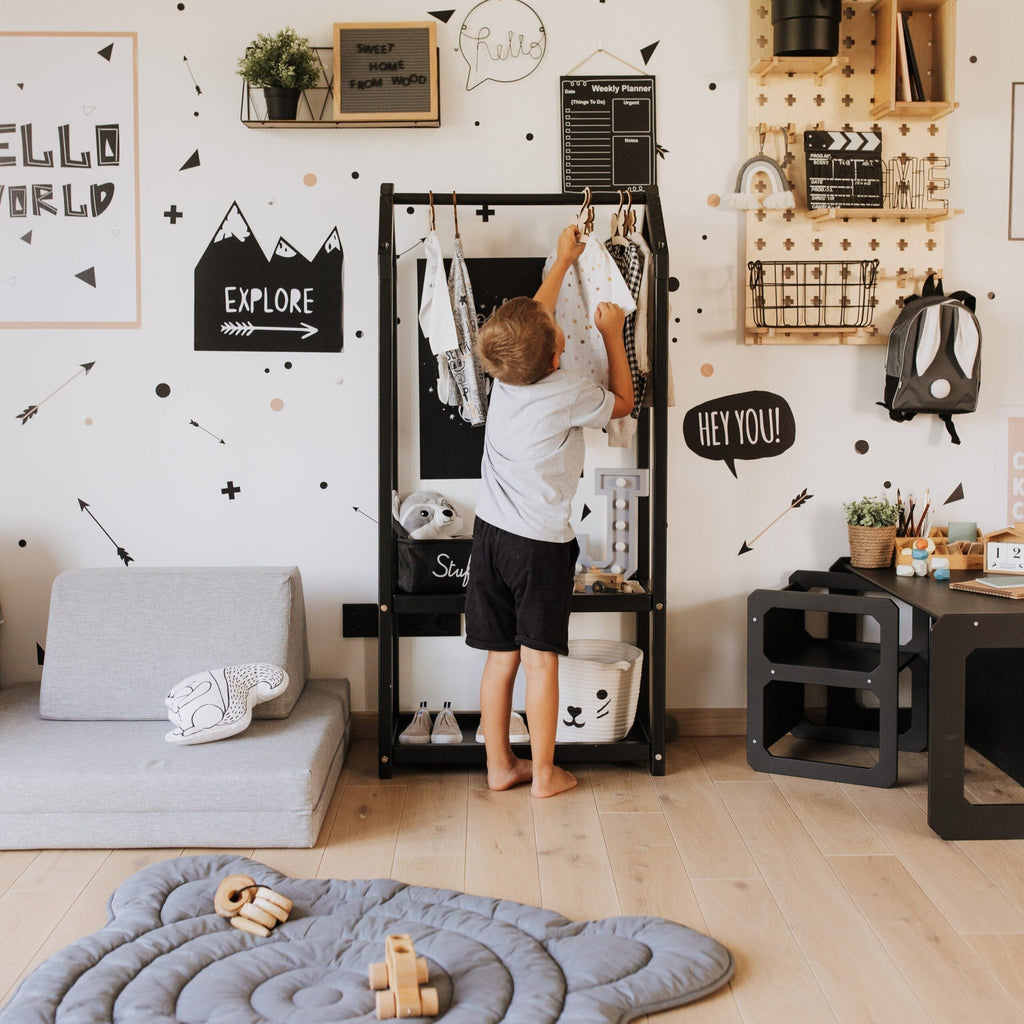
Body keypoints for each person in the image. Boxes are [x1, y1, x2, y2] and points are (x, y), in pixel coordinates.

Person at [465, 224, 633, 797]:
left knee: (499, 663)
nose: (561, 324)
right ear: (560, 351)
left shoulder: (505, 376)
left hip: (489, 536)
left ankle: (497, 767)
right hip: (539, 546)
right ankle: (543, 775)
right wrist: (613, 333)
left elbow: (534, 316)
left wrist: (563, 260)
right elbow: (625, 402)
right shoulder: (571, 389)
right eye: (562, 331)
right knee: (541, 664)